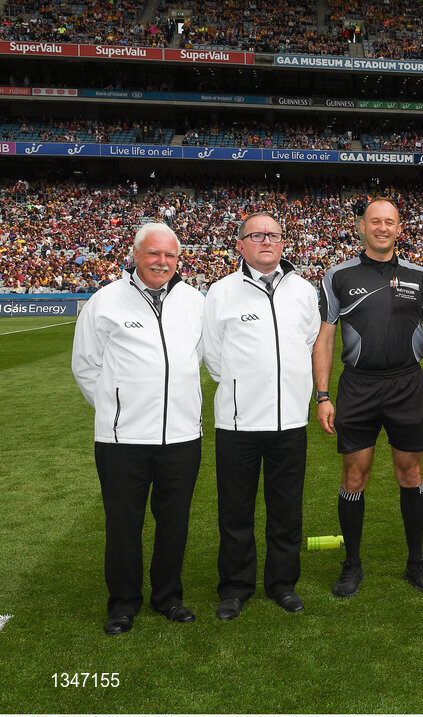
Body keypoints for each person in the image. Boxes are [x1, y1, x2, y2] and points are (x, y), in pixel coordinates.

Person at [313, 197, 423, 596]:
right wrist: (323, 395)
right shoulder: (337, 275)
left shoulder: (421, 275)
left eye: (389, 222)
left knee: (411, 472)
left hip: (407, 384)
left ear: (398, 228)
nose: (382, 228)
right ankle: (351, 563)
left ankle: (416, 561)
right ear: (361, 226)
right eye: (375, 221)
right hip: (358, 386)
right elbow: (325, 337)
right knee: (354, 474)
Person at [71, 222, 205, 635]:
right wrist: (118, 409)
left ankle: (168, 596)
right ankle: (123, 603)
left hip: (181, 437)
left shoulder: (195, 301)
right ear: (135, 255)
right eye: (153, 254)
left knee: (174, 522)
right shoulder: (105, 301)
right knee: (123, 524)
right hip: (121, 440)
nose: (161, 262)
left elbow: (200, 358)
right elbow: (86, 365)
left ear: (178, 259)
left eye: (169, 255)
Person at [203, 212, 320, 620]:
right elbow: (213, 357)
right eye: (256, 235)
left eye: (273, 234)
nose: (266, 240)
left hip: (289, 421)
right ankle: (235, 587)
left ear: (283, 241)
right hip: (237, 422)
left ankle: (282, 583)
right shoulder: (220, 292)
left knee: (286, 508)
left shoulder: (304, 291)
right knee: (236, 509)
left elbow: (307, 344)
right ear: (240, 244)